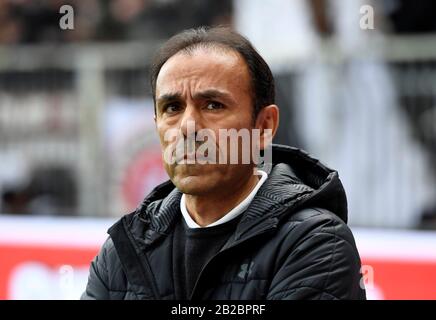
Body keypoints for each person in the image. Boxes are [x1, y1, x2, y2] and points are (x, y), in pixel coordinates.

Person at [81, 26, 366, 300]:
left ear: (264, 126)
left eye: (213, 105)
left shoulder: (317, 244)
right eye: (172, 108)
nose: (188, 127)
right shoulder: (123, 248)